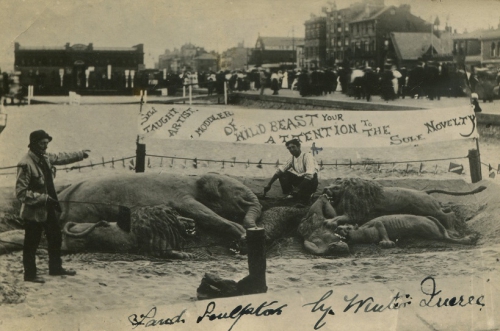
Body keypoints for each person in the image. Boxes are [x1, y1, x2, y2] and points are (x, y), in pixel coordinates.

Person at [16, 130, 90, 283]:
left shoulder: (45, 157)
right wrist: (43, 198)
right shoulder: (25, 164)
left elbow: (61, 157)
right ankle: (30, 275)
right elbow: (21, 193)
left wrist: (81, 154)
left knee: (55, 237)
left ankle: (55, 268)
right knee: (32, 243)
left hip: (48, 208)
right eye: (42, 144)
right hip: (33, 211)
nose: (45, 146)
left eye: (47, 143)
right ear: (34, 144)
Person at [264, 139, 319, 203]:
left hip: (310, 182)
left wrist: (297, 189)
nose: (291, 150)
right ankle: (291, 195)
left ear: (299, 146)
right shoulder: (292, 158)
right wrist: (269, 184)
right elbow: (280, 170)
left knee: (304, 201)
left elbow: (309, 176)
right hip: (301, 180)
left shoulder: (307, 156)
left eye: (293, 147)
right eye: (289, 148)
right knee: (283, 174)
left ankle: (305, 195)